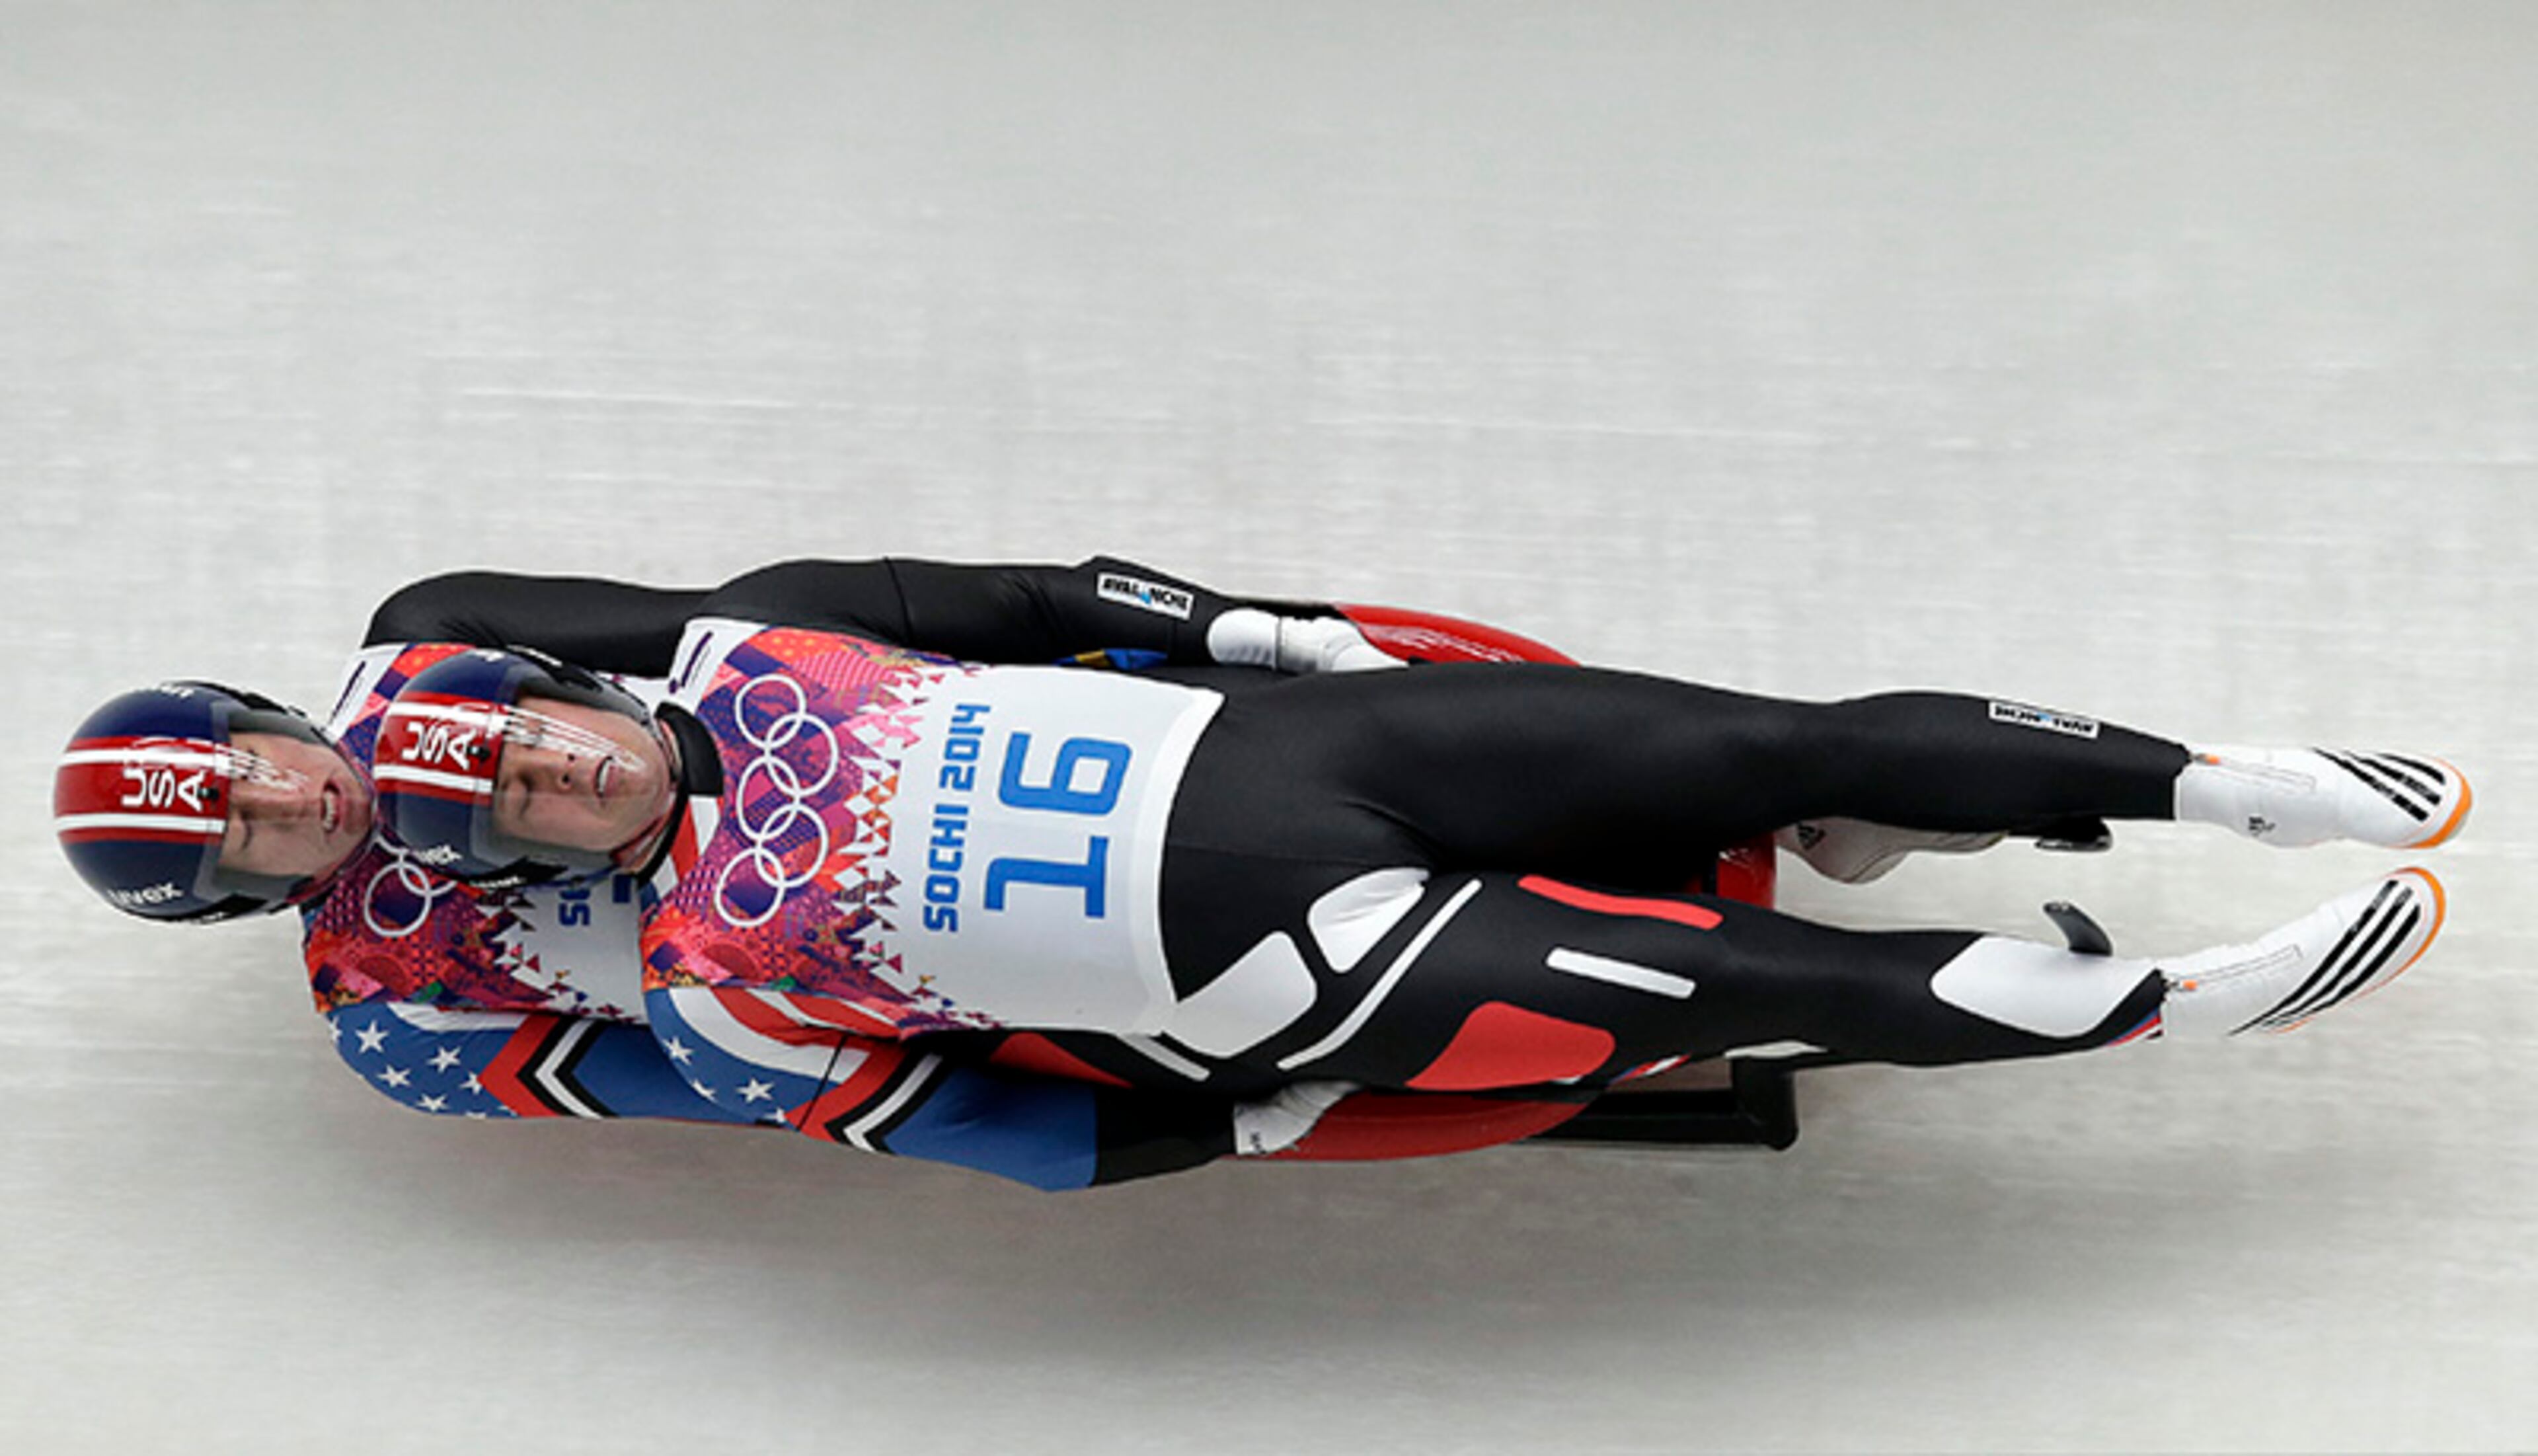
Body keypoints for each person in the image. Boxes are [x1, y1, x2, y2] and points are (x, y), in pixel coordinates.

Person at [362, 559, 2468, 1184]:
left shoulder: (758, 637)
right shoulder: (718, 988)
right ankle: (2195, 999)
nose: (565, 770)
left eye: (547, 727)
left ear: (575, 684)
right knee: (1762, 983)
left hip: (1321, 746)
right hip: (1306, 957)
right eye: (529, 798)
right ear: (529, 844)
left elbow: (1011, 587)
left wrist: (1273, 632)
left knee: (1765, 737)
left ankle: (2229, 779)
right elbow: (995, 1132)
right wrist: (1263, 1121)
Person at [54, 559, 1494, 1185]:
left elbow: (721, 630)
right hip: (914, 965)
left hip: (931, 777)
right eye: (244, 831)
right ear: (237, 897)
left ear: (269, 714)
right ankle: (1232, 1111)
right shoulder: (397, 1021)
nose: (293, 800)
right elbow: (747, 1094)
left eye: (254, 761)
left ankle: (1278, 673)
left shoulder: (434, 638)